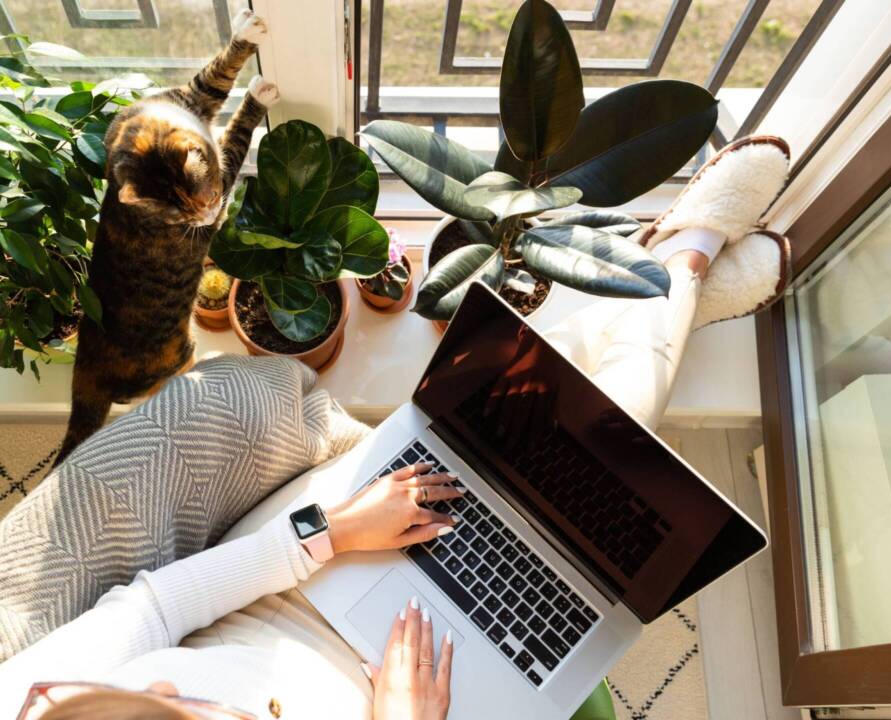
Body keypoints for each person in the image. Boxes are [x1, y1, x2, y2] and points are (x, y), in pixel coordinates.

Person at [0, 136, 791, 720]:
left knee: (516, 431)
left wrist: (327, 534)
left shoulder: (36, 706)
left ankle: (672, 277)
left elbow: (156, 611)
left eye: (148, 698)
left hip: (290, 591)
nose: (169, 683)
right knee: (597, 475)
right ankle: (676, 274)